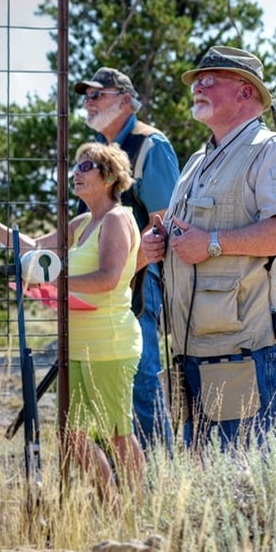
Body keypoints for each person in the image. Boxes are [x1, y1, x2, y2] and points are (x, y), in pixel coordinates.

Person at [141, 46, 276, 450]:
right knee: (206, 466)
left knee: (248, 464)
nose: (198, 84)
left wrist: (211, 243)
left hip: (248, 348)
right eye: (198, 79)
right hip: (197, 346)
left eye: (210, 78)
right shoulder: (197, 160)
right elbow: (186, 234)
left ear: (245, 92)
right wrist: (158, 243)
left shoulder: (272, 150)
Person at [0, 142, 144, 506]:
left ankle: (139, 510)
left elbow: (109, 278)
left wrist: (55, 283)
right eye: (75, 166)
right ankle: (111, 505)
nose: (75, 172)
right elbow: (33, 247)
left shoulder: (117, 220)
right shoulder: (83, 223)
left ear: (109, 176)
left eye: (86, 166)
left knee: (117, 432)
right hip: (76, 345)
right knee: (71, 434)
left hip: (109, 344)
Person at [75, 67, 180, 452]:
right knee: (112, 393)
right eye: (86, 96)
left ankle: (158, 486)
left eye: (97, 95)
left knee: (142, 385)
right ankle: (125, 487)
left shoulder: (150, 145)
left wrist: (123, 272)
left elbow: (165, 225)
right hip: (109, 292)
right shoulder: (103, 155)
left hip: (139, 288)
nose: (88, 102)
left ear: (125, 99)